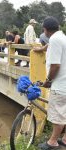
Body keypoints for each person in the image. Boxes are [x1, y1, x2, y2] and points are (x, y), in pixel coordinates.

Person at [38, 16, 66, 150]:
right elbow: (51, 47)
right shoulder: (62, 38)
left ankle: (52, 142)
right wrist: (41, 49)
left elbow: (55, 65)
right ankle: (65, 139)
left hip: (60, 86)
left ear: (46, 30)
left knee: (58, 116)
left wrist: (48, 81)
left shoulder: (54, 39)